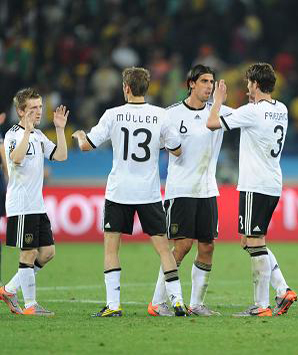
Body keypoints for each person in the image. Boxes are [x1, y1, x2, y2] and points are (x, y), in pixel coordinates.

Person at [72, 67, 186, 317]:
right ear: (147, 87)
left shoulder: (113, 114)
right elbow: (177, 149)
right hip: (149, 193)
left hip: (119, 192)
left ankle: (113, 306)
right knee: (164, 249)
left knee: (112, 248)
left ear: (126, 87)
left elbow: (86, 146)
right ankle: (177, 301)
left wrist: (80, 134)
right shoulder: (160, 115)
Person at [207, 63, 297, 317]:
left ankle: (261, 305)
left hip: (254, 184)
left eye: (248, 83)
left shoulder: (252, 112)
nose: (247, 88)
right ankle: (282, 289)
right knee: (249, 240)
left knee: (255, 241)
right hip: (272, 183)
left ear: (256, 85)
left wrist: (217, 100)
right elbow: (248, 118)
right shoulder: (281, 109)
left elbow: (213, 123)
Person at [148, 65, 232, 317]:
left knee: (207, 246)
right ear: (191, 83)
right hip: (181, 190)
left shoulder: (218, 112)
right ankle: (157, 302)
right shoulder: (170, 114)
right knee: (182, 246)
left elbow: (247, 118)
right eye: (204, 81)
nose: (209, 86)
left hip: (207, 190)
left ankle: (196, 303)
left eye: (212, 81)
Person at [0, 89, 68, 316]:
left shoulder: (39, 135)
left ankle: (9, 290)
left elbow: (60, 156)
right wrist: (27, 132)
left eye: (40, 107)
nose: (39, 112)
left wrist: (59, 130)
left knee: (47, 252)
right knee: (28, 253)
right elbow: (16, 159)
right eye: (33, 108)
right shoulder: (13, 135)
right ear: (20, 111)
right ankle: (30, 305)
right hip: (21, 204)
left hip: (37, 204)